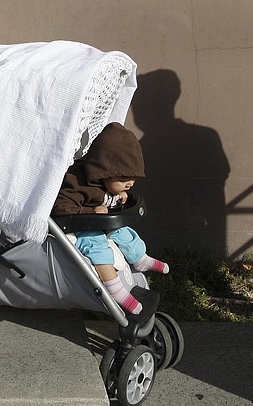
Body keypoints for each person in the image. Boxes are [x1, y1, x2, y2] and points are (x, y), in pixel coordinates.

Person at [52, 122, 169, 315]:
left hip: (98, 220)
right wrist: (87, 212)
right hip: (77, 224)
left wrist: (118, 196)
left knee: (123, 231)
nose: (129, 184)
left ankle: (140, 258)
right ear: (103, 172)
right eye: (124, 180)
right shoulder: (77, 182)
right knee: (96, 243)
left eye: (132, 180)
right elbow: (60, 207)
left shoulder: (108, 183)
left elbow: (109, 194)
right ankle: (113, 287)